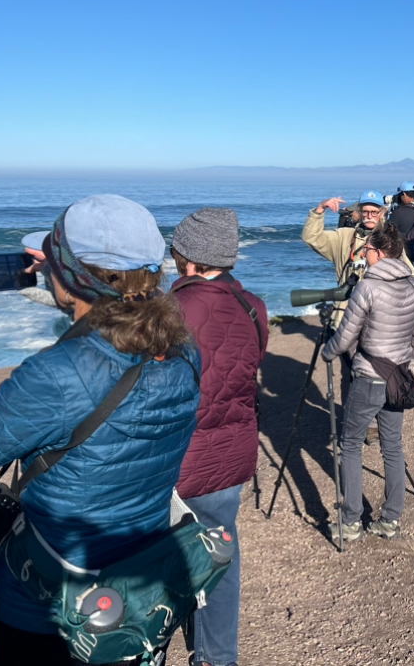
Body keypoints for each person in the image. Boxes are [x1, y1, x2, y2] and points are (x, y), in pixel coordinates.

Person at [0, 194, 202, 665]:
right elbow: (128, 322)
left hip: (48, 611)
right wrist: (63, 291)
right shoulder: (183, 348)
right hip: (140, 590)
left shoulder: (61, 374)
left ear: (75, 280)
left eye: (53, 262)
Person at [169, 208, 269, 666]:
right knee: (221, 550)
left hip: (181, 457)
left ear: (189, 258)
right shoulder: (253, 307)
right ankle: (217, 656)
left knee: (163, 558)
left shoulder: (172, 310)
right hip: (234, 450)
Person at [321, 223, 414, 542]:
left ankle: (351, 522)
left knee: (351, 444)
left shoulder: (367, 288)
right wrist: (406, 361)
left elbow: (345, 337)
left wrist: (327, 352)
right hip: (399, 378)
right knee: (392, 446)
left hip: (369, 375)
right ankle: (390, 520)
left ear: (380, 253)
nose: (363, 254)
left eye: (366, 249)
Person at [302, 190, 414, 444]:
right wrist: (319, 210)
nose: (370, 216)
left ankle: (375, 424)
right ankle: (354, 420)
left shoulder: (389, 241)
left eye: (374, 211)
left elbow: (409, 274)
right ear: (359, 213)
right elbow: (312, 237)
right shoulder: (344, 238)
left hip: (380, 322)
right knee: (350, 374)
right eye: (365, 211)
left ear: (382, 213)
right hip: (347, 319)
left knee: (378, 374)